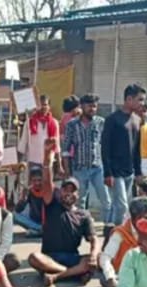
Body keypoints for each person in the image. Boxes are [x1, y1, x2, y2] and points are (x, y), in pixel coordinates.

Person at [28, 139, 100, 286]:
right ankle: (73, 274)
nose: (68, 193)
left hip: (72, 257)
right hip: (49, 258)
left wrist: (93, 255)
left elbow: (94, 239)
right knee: (34, 257)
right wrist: (47, 156)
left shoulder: (84, 215)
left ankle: (57, 276)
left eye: (72, 191)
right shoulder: (52, 203)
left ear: (78, 195)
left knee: (96, 259)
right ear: (59, 191)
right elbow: (47, 182)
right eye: (65, 189)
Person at [101, 84, 145, 237]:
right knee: (122, 206)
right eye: (139, 99)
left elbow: (137, 149)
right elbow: (105, 147)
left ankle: (110, 232)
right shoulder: (112, 120)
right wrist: (107, 172)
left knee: (121, 206)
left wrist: (138, 171)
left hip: (129, 171)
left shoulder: (137, 120)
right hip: (115, 171)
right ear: (129, 99)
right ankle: (118, 237)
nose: (142, 103)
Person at [62, 94, 111, 229]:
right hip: (79, 168)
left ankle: (108, 228)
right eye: (89, 106)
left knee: (106, 200)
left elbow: (106, 145)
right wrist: (67, 171)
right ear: (82, 106)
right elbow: (66, 149)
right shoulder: (72, 125)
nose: (92, 109)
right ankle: (80, 228)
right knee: (79, 201)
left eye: (94, 106)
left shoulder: (100, 122)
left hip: (98, 168)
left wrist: (109, 169)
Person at [101, 197, 147, 287]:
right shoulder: (120, 233)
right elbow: (105, 257)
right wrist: (110, 278)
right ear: (137, 217)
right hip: (122, 274)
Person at [17, 94, 61, 172]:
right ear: (36, 106)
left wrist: (59, 166)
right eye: (40, 105)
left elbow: (57, 146)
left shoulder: (55, 123)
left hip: (48, 162)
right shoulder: (29, 122)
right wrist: (18, 165)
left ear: (49, 107)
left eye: (45, 105)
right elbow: (23, 144)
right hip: (33, 162)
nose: (43, 107)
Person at [13, 168, 45, 236]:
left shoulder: (49, 190)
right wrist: (23, 198)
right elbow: (18, 210)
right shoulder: (29, 191)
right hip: (35, 222)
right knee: (13, 216)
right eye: (34, 180)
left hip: (48, 223)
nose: (37, 183)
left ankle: (39, 231)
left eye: (39, 180)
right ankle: (39, 230)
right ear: (31, 181)